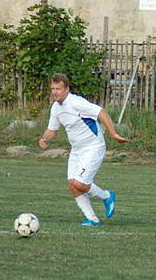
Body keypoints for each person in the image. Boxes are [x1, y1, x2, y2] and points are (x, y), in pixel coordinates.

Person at [39, 73, 128, 226]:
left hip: (93, 147)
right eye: (53, 89)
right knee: (72, 185)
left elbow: (101, 112)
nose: (55, 92)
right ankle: (92, 219)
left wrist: (113, 133)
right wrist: (44, 138)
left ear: (67, 89)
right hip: (77, 149)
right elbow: (52, 130)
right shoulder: (55, 108)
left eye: (58, 89)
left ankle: (107, 196)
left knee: (80, 184)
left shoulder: (76, 102)